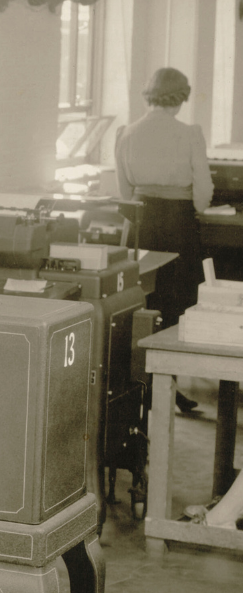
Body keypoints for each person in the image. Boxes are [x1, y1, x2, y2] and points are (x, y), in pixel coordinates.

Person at [115, 66, 213, 413]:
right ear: (181, 96)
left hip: (142, 227)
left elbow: (124, 192)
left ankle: (144, 388)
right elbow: (202, 192)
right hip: (176, 225)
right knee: (173, 307)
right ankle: (166, 385)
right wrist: (198, 206)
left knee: (141, 306)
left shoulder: (126, 132)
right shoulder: (190, 133)